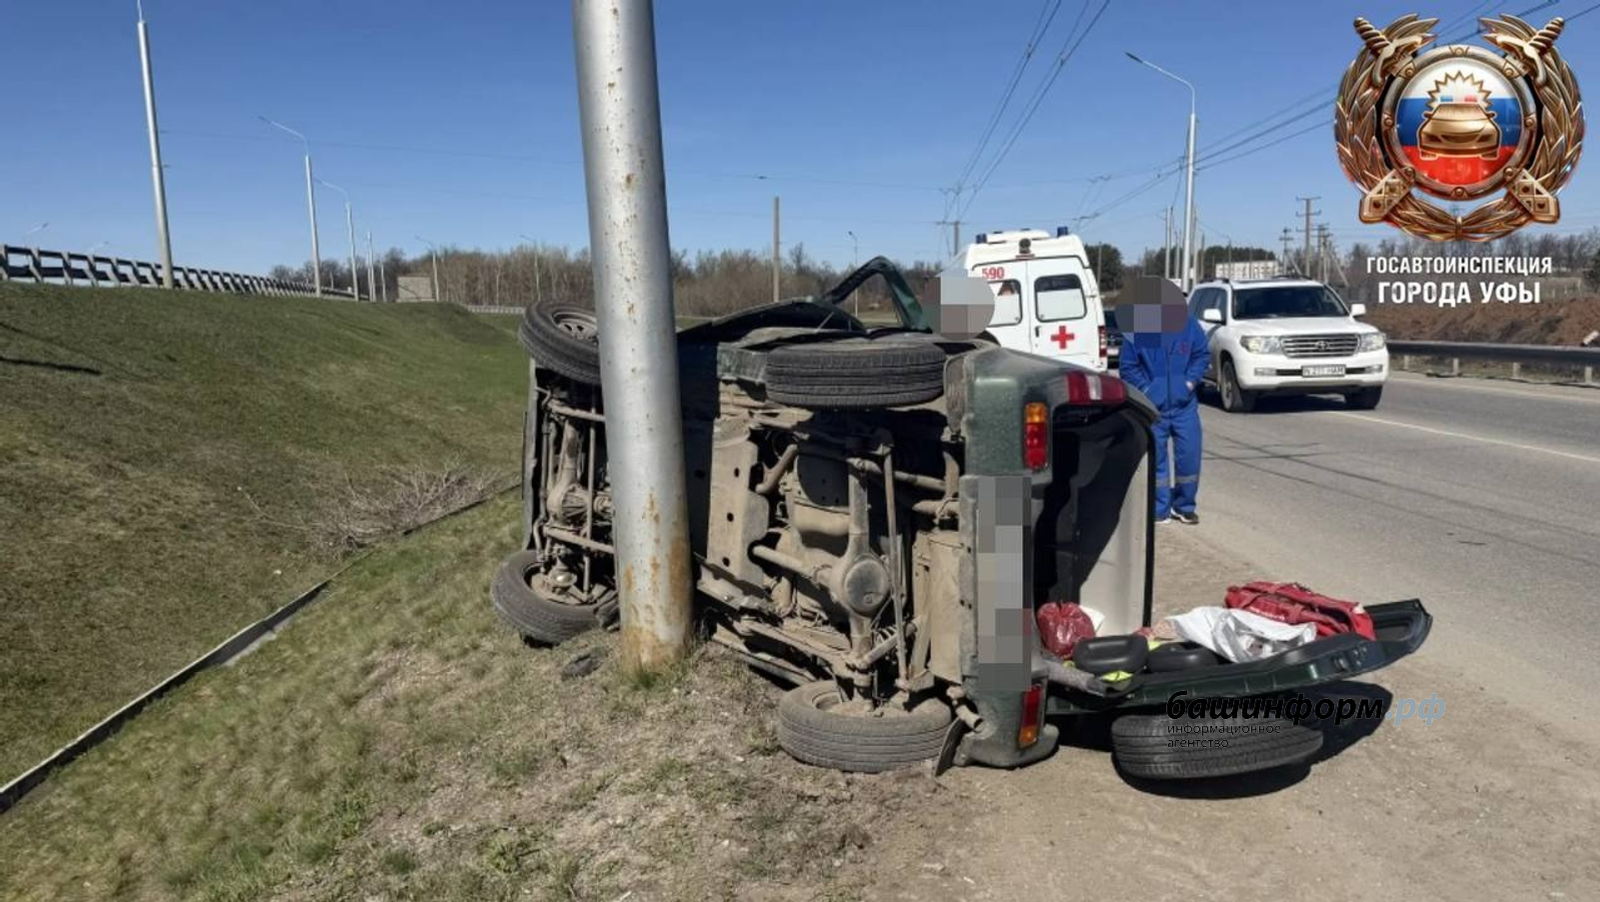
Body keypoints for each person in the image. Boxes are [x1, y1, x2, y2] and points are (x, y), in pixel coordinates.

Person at [1116, 278, 1210, 525]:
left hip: (1184, 407)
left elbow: (1201, 355)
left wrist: (1189, 383)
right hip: (1153, 409)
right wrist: (1148, 389)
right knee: (1156, 462)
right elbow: (1128, 367)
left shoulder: (1190, 326)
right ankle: (1160, 509)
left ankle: (1184, 506)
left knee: (1189, 458)